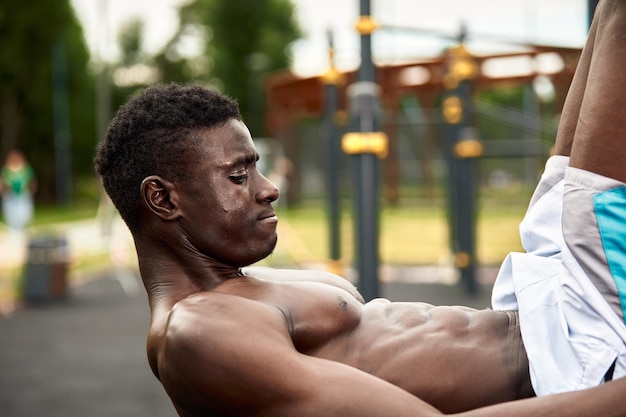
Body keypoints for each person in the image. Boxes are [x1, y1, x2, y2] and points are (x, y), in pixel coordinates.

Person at [94, 2, 626, 415]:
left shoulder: (239, 290)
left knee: (608, 12)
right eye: (239, 176)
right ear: (163, 199)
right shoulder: (197, 333)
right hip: (578, 353)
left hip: (548, 299)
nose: (268, 187)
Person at [0, 149, 36, 233]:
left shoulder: (26, 169)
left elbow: (31, 182)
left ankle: (22, 230)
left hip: (23, 195)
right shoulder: (6, 171)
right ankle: (13, 231)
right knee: (11, 216)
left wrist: (31, 192)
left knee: (24, 215)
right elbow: (2, 183)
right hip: (10, 196)